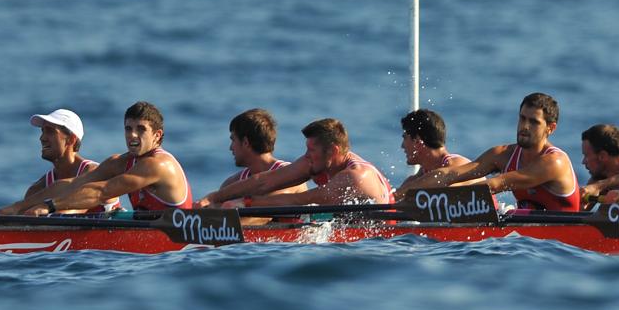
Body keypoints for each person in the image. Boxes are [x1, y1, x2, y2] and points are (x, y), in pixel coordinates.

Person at [397, 93, 579, 211]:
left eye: (534, 122)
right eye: (522, 118)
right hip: (527, 241)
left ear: (551, 128)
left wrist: (432, 200)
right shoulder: (502, 154)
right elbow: (451, 174)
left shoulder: (555, 162)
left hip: (560, 248)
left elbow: (496, 184)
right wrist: (397, 195)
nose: (524, 126)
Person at [6, 101, 192, 215]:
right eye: (128, 129)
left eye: (141, 129)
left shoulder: (158, 164)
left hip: (175, 253)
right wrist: (17, 207)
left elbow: (102, 192)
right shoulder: (119, 162)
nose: (132, 136)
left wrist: (49, 206)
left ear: (157, 136)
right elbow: (73, 184)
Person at [199, 117, 393, 208]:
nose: (306, 155)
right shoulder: (317, 160)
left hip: (381, 241)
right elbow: (264, 182)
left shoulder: (355, 176)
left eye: (311, 150)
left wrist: (246, 203)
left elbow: (300, 200)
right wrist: (214, 197)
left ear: (333, 151)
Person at [0, 109, 115, 214]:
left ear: (71, 139)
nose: (42, 138)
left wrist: (44, 210)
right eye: (42, 131)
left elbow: (77, 210)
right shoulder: (37, 189)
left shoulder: (95, 172)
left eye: (50, 131)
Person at [217, 108, 308, 197]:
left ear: (245, 142)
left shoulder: (291, 175)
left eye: (233, 140)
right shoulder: (231, 183)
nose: (230, 148)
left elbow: (271, 202)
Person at [400, 109, 470, 176]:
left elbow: (443, 178)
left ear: (418, 141)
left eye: (405, 138)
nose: (402, 146)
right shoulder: (421, 175)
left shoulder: (458, 165)